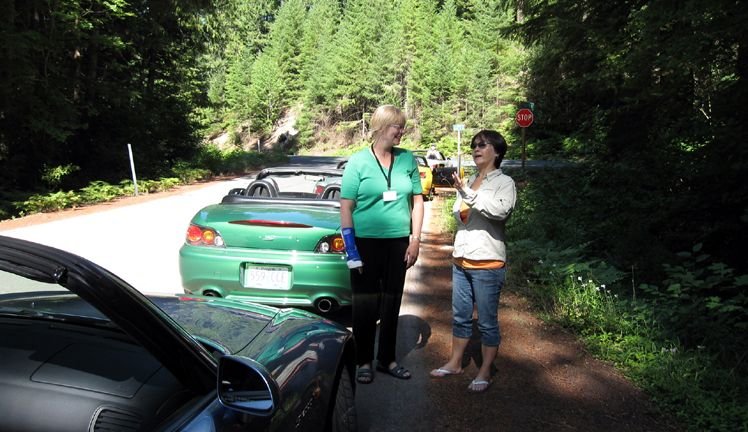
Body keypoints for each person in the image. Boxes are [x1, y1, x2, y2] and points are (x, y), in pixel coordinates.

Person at [340, 104, 425, 384]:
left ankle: (387, 359)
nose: (401, 132)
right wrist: (351, 249)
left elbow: (417, 201)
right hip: (364, 243)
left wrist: (415, 240)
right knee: (364, 304)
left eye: (403, 127)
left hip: (398, 243)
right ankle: (363, 360)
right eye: (397, 126)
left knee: (391, 302)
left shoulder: (407, 159)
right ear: (381, 127)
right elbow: (346, 206)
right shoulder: (358, 162)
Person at [429, 129, 516, 393]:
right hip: (461, 262)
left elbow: (500, 211)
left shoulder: (505, 183)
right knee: (460, 317)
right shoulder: (468, 181)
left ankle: (485, 371)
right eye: (474, 145)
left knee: (487, 322)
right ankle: (455, 362)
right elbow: (461, 217)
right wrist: (464, 191)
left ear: (497, 152)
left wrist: (467, 193)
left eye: (483, 145)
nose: (476, 149)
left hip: (487, 263)